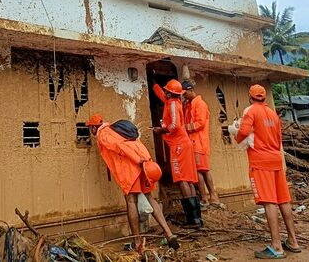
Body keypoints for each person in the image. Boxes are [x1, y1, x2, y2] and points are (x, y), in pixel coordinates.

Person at [86, 113, 180, 254]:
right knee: (149, 198)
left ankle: (137, 243)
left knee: (131, 201)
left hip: (132, 168)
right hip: (145, 164)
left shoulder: (103, 134)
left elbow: (120, 147)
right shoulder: (117, 129)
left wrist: (137, 160)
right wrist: (144, 161)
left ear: (94, 128)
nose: (91, 132)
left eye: (90, 128)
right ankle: (169, 234)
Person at [235, 85, 301, 259]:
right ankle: (293, 242)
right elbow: (279, 139)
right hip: (276, 160)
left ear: (250, 97)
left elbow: (242, 131)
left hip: (260, 161)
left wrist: (236, 136)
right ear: (263, 97)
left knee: (269, 201)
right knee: (283, 200)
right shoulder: (273, 114)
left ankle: (277, 246)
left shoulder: (251, 112)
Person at [152, 79, 202, 227]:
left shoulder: (173, 104)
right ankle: (196, 218)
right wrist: (154, 82)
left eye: (166, 91)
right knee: (189, 179)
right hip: (182, 144)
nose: (165, 93)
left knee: (182, 179)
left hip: (179, 145)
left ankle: (192, 219)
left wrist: (161, 130)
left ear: (170, 93)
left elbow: (175, 125)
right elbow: (161, 95)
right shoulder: (171, 101)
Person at [181, 80, 221, 208]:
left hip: (198, 142)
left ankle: (208, 197)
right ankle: (209, 197)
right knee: (201, 170)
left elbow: (200, 123)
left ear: (191, 90)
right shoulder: (189, 104)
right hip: (193, 142)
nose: (184, 95)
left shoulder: (200, 104)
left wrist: (184, 128)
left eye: (185, 93)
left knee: (201, 170)